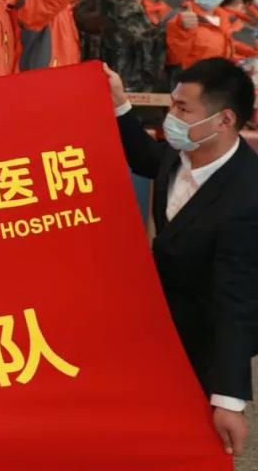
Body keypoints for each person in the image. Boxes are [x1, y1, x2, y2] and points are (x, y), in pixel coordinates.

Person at [106, 59, 258, 457]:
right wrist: (119, 102)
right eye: (172, 103)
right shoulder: (184, 151)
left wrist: (229, 400)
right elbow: (147, 159)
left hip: (201, 342)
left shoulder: (247, 198)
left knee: (185, 445)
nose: (170, 116)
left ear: (224, 120)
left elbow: (237, 302)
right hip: (156, 323)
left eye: (182, 108)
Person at [167, 0, 236, 70]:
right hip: (192, 80)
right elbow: (172, 58)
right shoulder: (181, 18)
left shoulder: (223, 17)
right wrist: (182, 29)